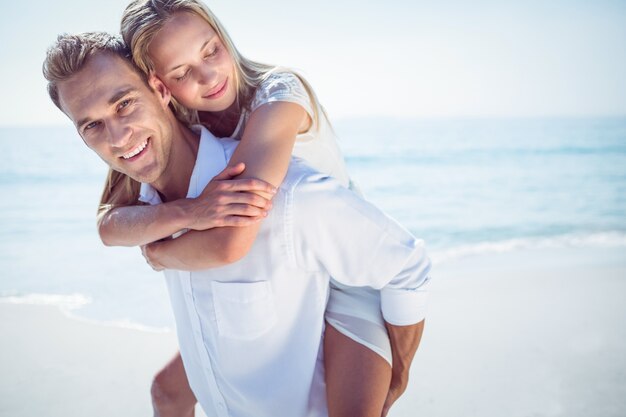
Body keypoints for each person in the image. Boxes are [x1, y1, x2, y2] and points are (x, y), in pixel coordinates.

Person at [43, 32, 431, 417]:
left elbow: (406, 265)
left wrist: (400, 371)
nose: (117, 136)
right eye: (91, 126)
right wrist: (190, 212)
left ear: (160, 90)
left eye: (124, 104)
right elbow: (107, 226)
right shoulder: (145, 207)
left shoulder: (284, 197)